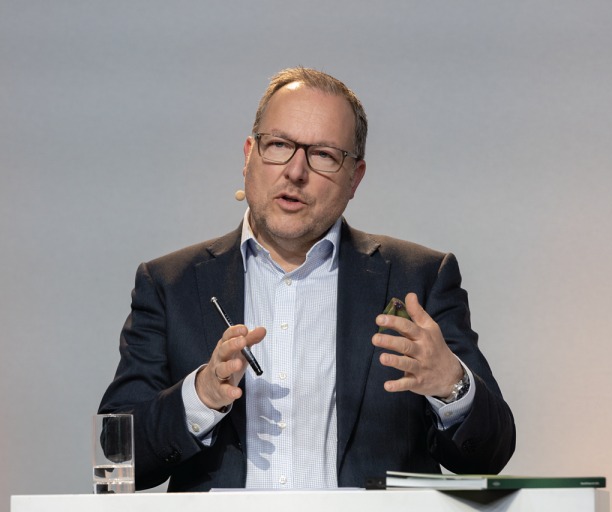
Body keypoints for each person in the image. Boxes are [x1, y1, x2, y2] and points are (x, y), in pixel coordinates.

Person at [99, 67, 515, 491]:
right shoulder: (169, 284)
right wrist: (200, 396)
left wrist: (451, 384)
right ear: (249, 156)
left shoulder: (419, 279)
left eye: (324, 155)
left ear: (355, 177)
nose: (296, 171)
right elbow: (118, 459)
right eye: (279, 145)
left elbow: (490, 454)